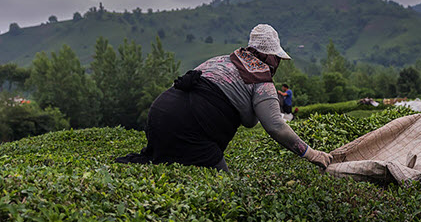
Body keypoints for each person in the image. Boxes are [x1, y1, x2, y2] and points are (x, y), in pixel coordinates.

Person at [114, 24, 332, 172]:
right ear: (270, 57)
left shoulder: (221, 60)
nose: (278, 63)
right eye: (277, 58)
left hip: (159, 114)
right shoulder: (261, 80)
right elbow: (275, 126)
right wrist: (311, 154)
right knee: (220, 183)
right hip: (189, 126)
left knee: (167, 166)